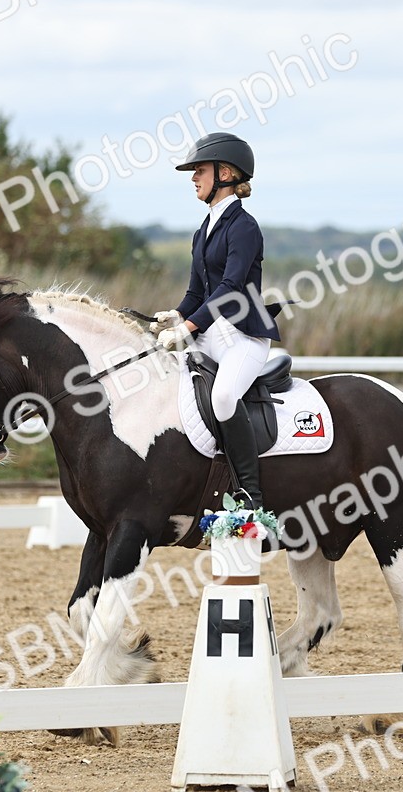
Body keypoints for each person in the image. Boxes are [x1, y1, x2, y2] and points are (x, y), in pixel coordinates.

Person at [153, 132, 280, 521]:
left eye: (199, 171)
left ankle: (250, 493)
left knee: (224, 397)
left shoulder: (244, 227)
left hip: (241, 337)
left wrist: (189, 326)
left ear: (224, 173)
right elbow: (197, 291)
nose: (193, 177)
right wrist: (176, 315)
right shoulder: (202, 230)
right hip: (209, 336)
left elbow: (230, 288)